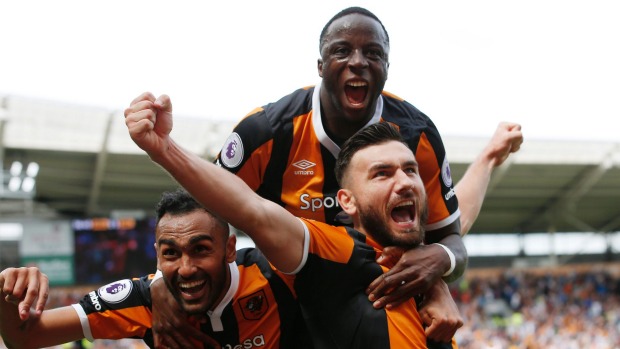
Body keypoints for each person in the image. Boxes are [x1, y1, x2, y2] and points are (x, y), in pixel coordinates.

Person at [148, 6, 522, 346]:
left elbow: (448, 229)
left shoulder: (415, 134)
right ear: (320, 65)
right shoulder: (267, 132)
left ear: (388, 67)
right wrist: (164, 279)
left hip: (384, 295)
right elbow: (208, 212)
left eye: (373, 53)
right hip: (291, 297)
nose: (358, 62)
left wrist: (437, 266)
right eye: (342, 50)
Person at [125, 76, 466, 348]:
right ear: (346, 201)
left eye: (411, 171)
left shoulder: (420, 263)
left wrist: (490, 158)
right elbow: (252, 210)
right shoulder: (335, 253)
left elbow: (457, 215)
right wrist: (164, 150)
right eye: (382, 173)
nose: (405, 182)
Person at [0, 188, 318, 349]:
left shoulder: (279, 272)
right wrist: (6, 290)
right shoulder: (141, 301)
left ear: (230, 248)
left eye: (201, 249)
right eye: (171, 253)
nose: (186, 268)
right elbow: (24, 338)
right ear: (157, 255)